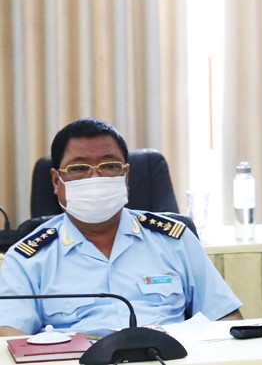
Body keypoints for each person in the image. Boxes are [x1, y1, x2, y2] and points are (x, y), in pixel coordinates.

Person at [0, 118, 243, 336]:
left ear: (125, 176)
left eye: (109, 166)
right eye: (79, 168)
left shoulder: (175, 240)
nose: (95, 178)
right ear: (56, 180)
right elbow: (10, 335)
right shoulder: (27, 259)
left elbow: (224, 317)